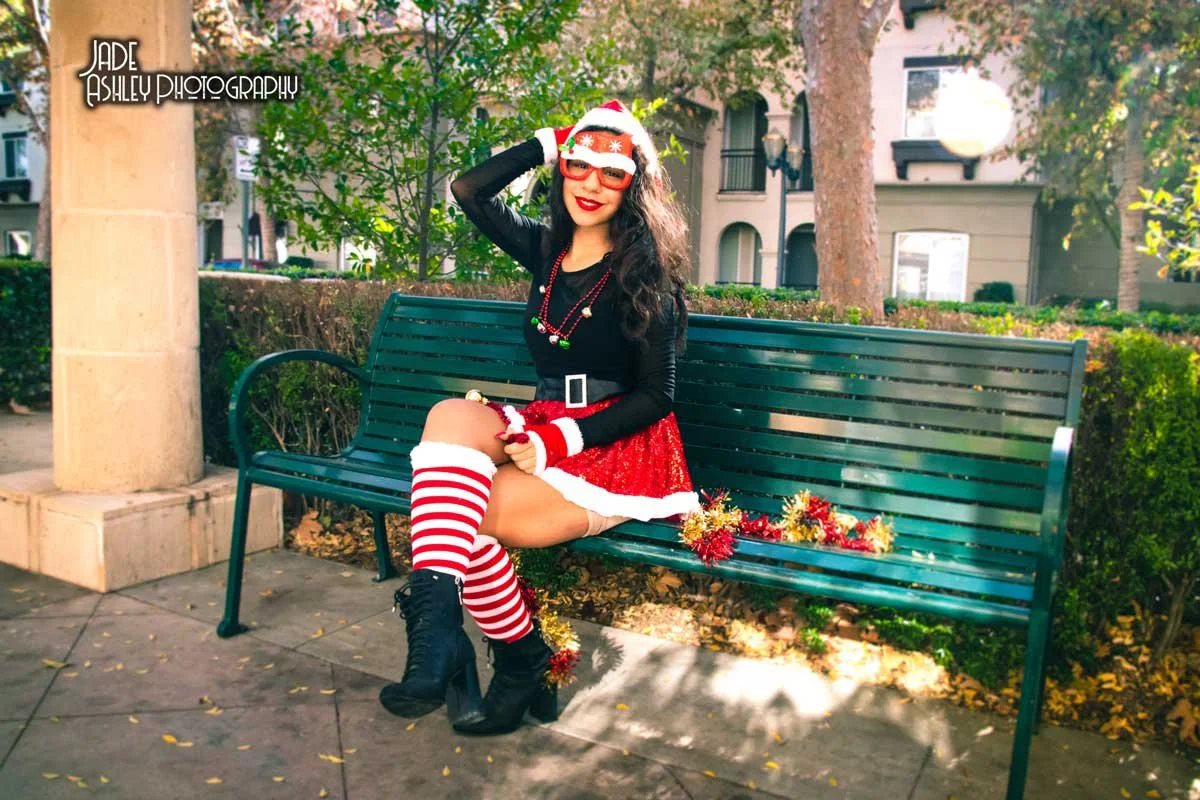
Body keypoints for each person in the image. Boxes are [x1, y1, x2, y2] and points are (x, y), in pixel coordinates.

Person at [378, 99, 701, 736]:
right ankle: (446, 634)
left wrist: (561, 437)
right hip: (545, 418)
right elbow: (468, 190)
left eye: (612, 174)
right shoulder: (547, 250)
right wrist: (548, 142)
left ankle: (515, 659)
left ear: (635, 188)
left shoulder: (647, 275)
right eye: (580, 166)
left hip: (618, 445)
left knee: (456, 517)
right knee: (449, 417)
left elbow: (656, 397)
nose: (591, 184)